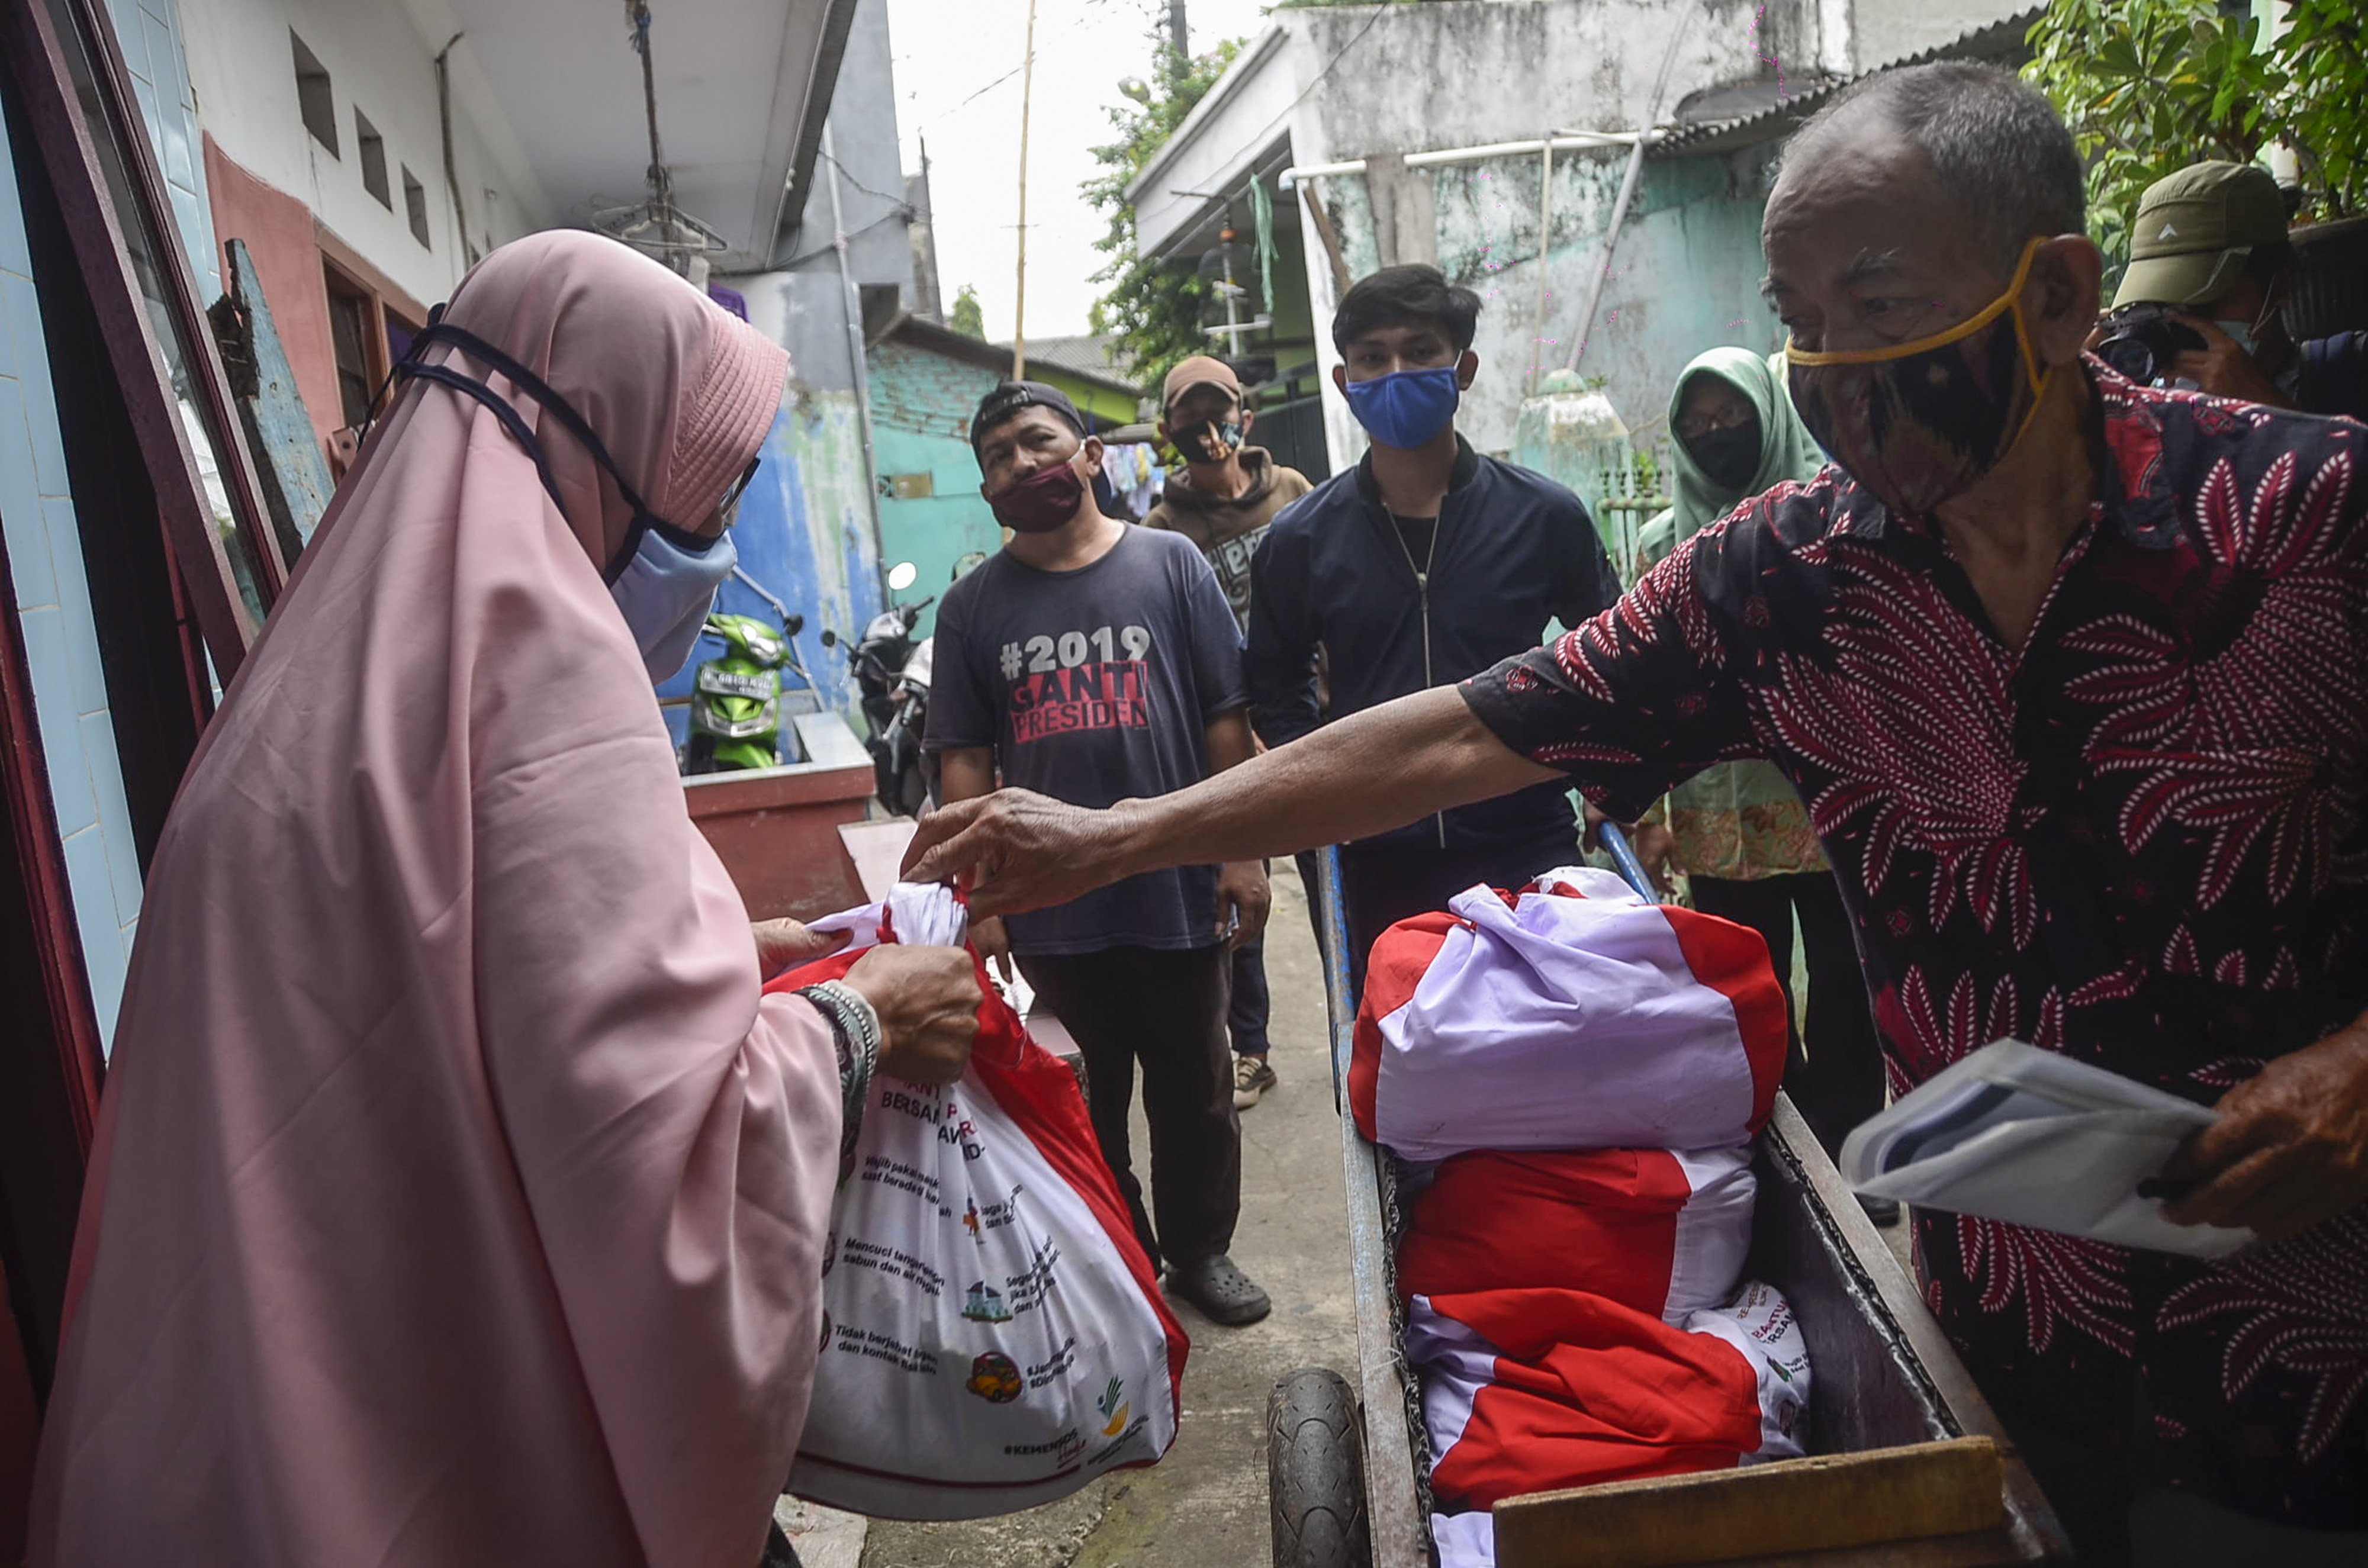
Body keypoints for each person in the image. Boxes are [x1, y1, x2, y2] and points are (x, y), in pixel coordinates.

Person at [906, 63, 2368, 1564]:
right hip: (1993, 1329)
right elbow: (1468, 725)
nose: (1824, 367)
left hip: (2316, 1361)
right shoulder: (1788, 576)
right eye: (1797, 316)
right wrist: (1120, 833)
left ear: (2054, 296)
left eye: (1872, 309)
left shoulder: (2312, 520)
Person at [28, 232, 983, 1568]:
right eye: (700, 491)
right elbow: (662, 1160)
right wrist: (861, 1021)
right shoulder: (543, 674)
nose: (705, 542)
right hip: (447, 1450)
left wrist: (719, 963)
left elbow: (470, 1012)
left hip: (245, 1425)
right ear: (597, 441)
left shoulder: (317, 666)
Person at [927, 380, 1274, 1326]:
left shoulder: (1172, 565)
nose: (1021, 466)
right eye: (998, 458)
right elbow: (964, 760)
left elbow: (1224, 720)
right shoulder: (969, 608)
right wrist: (982, 896)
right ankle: (1122, 1256)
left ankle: (1202, 1253)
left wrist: (1242, 855)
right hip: (1051, 908)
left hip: (1175, 888)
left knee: (1196, 1089)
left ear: (1088, 453)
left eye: (1038, 443)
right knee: (1081, 1102)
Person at [1246, 264, 1620, 989]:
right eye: (1372, 358)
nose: (1395, 372)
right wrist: (1323, 797)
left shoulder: (1544, 517)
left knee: (1555, 1063)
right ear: (1342, 380)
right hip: (1371, 860)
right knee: (1399, 1070)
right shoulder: (1299, 540)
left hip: (1527, 840)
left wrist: (1608, 778)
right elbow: (1274, 681)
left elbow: (1610, 651)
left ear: (1464, 367)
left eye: (1420, 351)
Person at [1636, 347, 1888, 1219]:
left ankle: (1858, 1150)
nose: (1717, 435)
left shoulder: (1829, 516)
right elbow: (1654, 691)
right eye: (1698, 424)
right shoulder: (1660, 543)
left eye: (1732, 415)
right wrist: (1651, 813)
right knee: (1751, 990)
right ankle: (1790, 1152)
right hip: (1712, 811)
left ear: (1769, 412)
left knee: (1848, 984)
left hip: (1826, 800)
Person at [1144, 355, 1314, 1110]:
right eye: (1188, 421)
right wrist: (1234, 736)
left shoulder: (1293, 495)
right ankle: (1252, 1049)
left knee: (1337, 877)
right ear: (1168, 433)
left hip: (1310, 717)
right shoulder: (1162, 528)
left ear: (1243, 416)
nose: (1206, 434)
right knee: (1237, 886)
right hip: (1227, 733)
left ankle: (1371, 1020)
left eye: (1217, 414)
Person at [2100, 160, 2368, 420]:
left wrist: (2270, 408)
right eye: (2161, 306)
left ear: (2280, 286)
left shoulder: (2350, 372)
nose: (2180, 326)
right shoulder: (2146, 407)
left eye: (2204, 302)